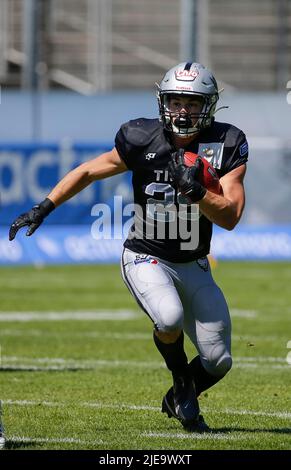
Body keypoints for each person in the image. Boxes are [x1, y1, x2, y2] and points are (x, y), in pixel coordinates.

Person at [9, 62, 248, 433]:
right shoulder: (141, 136)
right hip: (146, 254)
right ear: (162, 101)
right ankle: (182, 383)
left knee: (219, 361)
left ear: (209, 106)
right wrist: (44, 207)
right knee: (167, 318)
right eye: (176, 101)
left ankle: (176, 396)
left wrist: (197, 191)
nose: (182, 110)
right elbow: (88, 170)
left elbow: (230, 216)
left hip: (195, 262)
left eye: (192, 102)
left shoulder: (227, 142)